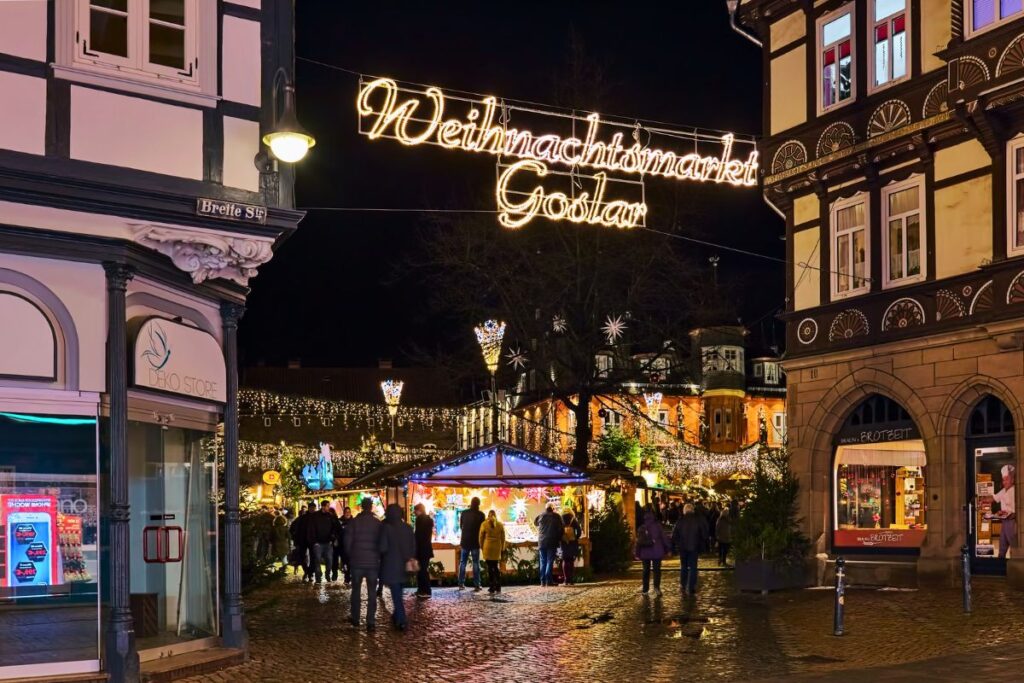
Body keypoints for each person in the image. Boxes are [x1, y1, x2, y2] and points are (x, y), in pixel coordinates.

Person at [345, 498, 386, 630]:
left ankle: (355, 618)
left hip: (357, 562)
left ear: (362, 507)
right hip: (373, 563)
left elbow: (347, 542)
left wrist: (350, 556)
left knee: (356, 590)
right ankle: (371, 622)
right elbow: (382, 543)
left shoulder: (354, 522)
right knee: (372, 592)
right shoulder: (377, 523)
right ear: (371, 507)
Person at [380, 503, 416, 630]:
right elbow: (413, 546)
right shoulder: (408, 528)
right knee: (398, 593)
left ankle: (401, 620)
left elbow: (383, 547)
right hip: (405, 566)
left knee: (396, 595)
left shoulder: (387, 528)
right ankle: (396, 616)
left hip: (392, 566)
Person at [672, 503, 709, 596]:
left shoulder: (681, 520)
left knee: (683, 566)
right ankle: (691, 587)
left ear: (684, 510)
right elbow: (704, 534)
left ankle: (683, 585)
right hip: (694, 546)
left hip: (683, 547)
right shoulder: (697, 520)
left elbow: (674, 535)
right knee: (693, 567)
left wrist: (678, 543)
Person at [635, 509, 671, 597]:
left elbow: (638, 542)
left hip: (645, 553)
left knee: (645, 570)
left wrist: (637, 553)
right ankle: (656, 588)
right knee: (657, 570)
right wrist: (668, 549)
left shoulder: (642, 527)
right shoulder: (657, 526)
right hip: (656, 551)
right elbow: (664, 538)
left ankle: (645, 589)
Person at [458, 497, 485, 591]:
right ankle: (477, 584)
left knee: (463, 562)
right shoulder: (481, 514)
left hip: (465, 541)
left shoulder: (464, 513)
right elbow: (482, 530)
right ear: (479, 504)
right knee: (476, 563)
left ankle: (461, 584)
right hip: (475, 542)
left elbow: (461, 526)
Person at [306, 500, 334, 584]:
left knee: (329, 560)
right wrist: (314, 542)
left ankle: (327, 573)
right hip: (318, 543)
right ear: (323, 506)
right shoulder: (315, 516)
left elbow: (334, 528)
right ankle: (318, 577)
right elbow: (311, 529)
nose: (328, 508)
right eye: (327, 506)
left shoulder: (330, 516)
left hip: (328, 543)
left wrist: (332, 539)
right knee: (317, 560)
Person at [535, 505, 564, 587]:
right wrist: (559, 538)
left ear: (546, 508)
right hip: (552, 541)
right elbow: (561, 529)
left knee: (543, 561)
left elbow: (535, 523)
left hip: (541, 541)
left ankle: (542, 581)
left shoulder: (541, 515)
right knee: (549, 561)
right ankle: (548, 580)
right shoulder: (556, 516)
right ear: (553, 508)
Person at [479, 509, 506, 594]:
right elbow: (503, 538)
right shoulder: (500, 525)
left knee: (490, 567)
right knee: (495, 566)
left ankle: (492, 587)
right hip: (497, 548)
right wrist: (502, 548)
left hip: (487, 547)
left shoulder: (484, 524)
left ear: (488, 516)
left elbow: (481, 537)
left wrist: (481, 546)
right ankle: (498, 586)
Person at [994, 464, 1016, 559]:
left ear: (1012, 480)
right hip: (1004, 522)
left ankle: (1014, 565)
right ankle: (999, 564)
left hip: (1012, 522)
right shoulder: (1003, 491)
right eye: (1003, 480)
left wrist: (1009, 514)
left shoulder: (1016, 491)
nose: (1004, 482)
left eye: (1006, 479)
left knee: (1014, 547)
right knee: (1002, 546)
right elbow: (994, 498)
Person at [289, 503, 315, 581]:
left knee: (312, 558)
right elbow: (292, 528)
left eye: (313, 508)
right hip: (302, 540)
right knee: (303, 557)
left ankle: (309, 573)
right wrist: (295, 538)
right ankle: (307, 572)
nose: (312, 509)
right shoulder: (302, 518)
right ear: (309, 508)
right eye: (311, 508)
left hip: (312, 540)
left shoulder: (316, 517)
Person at [413, 503, 434, 598]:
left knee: (421, 571)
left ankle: (425, 590)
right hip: (427, 548)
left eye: (415, 510)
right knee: (423, 570)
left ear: (419, 510)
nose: (414, 512)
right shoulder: (429, 519)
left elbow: (418, 535)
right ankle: (423, 590)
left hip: (421, 549)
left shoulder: (420, 519)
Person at [559, 510, 582, 586]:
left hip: (564, 542)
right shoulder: (573, 520)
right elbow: (579, 531)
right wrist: (576, 537)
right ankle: (571, 579)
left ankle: (566, 579)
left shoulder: (560, 520)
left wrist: (561, 538)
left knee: (565, 560)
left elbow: (558, 531)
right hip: (572, 542)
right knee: (571, 560)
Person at [328, 507, 344, 582]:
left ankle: (335, 573)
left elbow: (339, 531)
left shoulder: (336, 520)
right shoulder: (327, 520)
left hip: (336, 542)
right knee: (333, 559)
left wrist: (336, 538)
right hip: (330, 542)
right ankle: (333, 573)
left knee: (335, 558)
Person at [340, 506, 353, 585]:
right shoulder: (340, 522)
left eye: (349, 512)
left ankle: (349, 577)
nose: (348, 513)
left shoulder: (354, 522)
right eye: (346, 512)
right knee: (345, 563)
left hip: (352, 546)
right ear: (344, 513)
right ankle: (347, 577)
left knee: (350, 563)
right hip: (343, 546)